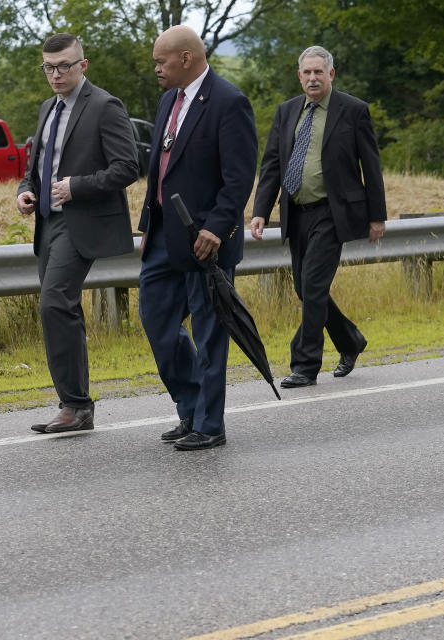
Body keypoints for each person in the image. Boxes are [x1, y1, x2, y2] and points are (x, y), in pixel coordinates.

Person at [137, 25, 258, 451]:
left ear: (186, 59)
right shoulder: (169, 99)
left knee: (209, 333)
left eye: (161, 61)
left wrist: (216, 227)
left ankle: (209, 424)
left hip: (206, 240)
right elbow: (162, 167)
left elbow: (239, 178)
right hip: (163, 238)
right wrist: (148, 222)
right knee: (156, 321)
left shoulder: (228, 102)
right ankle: (189, 406)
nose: (156, 68)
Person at [17, 33, 139, 433]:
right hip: (48, 223)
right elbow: (35, 168)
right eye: (48, 67)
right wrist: (26, 191)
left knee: (54, 302)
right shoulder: (46, 109)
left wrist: (76, 186)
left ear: (82, 65)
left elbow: (127, 167)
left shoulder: (105, 106)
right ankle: (75, 405)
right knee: (57, 308)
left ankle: (75, 405)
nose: (55, 74)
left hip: (82, 222)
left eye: (64, 66)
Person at [251, 45, 387, 388]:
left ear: (331, 74)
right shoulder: (286, 112)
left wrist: (377, 216)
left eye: (318, 72)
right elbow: (271, 166)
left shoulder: (353, 110)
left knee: (312, 286)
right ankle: (350, 341)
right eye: (307, 73)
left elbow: (371, 166)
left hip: (333, 212)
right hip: (296, 213)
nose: (313, 78)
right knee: (305, 287)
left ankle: (305, 364)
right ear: (299, 76)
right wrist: (260, 212)